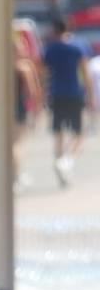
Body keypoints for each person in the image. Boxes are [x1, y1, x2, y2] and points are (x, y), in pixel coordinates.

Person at [42, 17, 94, 187]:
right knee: (79, 133)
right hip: (74, 92)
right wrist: (91, 95)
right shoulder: (78, 46)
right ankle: (68, 159)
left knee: (58, 132)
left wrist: (43, 95)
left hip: (56, 93)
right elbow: (85, 72)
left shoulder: (50, 49)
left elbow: (44, 73)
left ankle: (59, 161)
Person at [14, 39, 42, 191]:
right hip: (19, 107)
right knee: (17, 143)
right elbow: (32, 91)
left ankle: (14, 174)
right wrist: (37, 111)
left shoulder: (3, 67)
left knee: (11, 143)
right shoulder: (24, 67)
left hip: (5, 108)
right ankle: (18, 175)